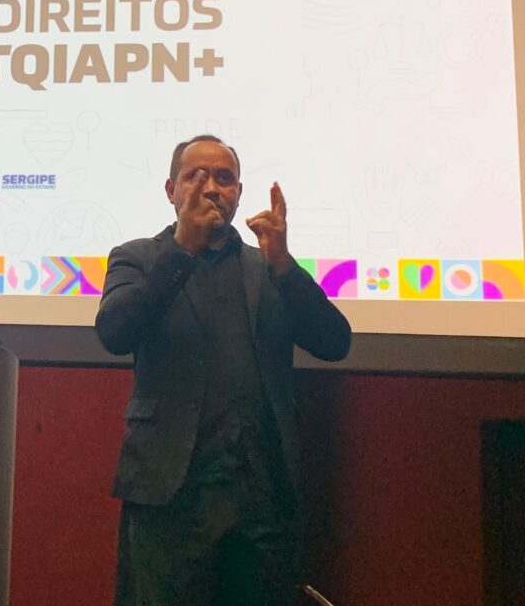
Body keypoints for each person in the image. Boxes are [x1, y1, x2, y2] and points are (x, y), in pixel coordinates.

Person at [96, 135, 350, 606]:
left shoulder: (268, 266)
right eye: (196, 176)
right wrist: (183, 248)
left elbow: (335, 342)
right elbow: (114, 332)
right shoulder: (139, 257)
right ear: (170, 190)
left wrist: (285, 266)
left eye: (224, 178)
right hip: (170, 498)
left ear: (239, 192)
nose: (211, 187)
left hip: (261, 500)